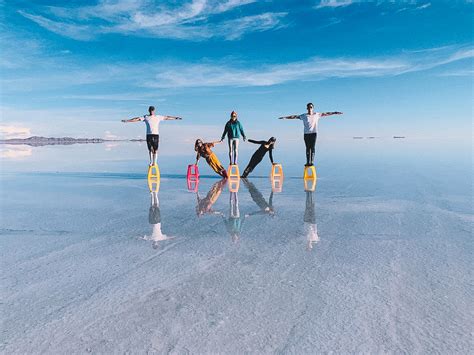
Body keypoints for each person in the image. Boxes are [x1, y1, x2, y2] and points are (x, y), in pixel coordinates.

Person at [278, 103, 342, 166]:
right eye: (308, 107)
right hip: (306, 134)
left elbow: (326, 113)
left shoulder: (317, 115)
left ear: (313, 108)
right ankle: (308, 162)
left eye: (311, 107)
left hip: (314, 133)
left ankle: (311, 162)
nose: (309, 108)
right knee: (307, 148)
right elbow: (294, 116)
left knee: (312, 147)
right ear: (307, 108)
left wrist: (335, 112)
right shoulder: (304, 116)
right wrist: (285, 117)